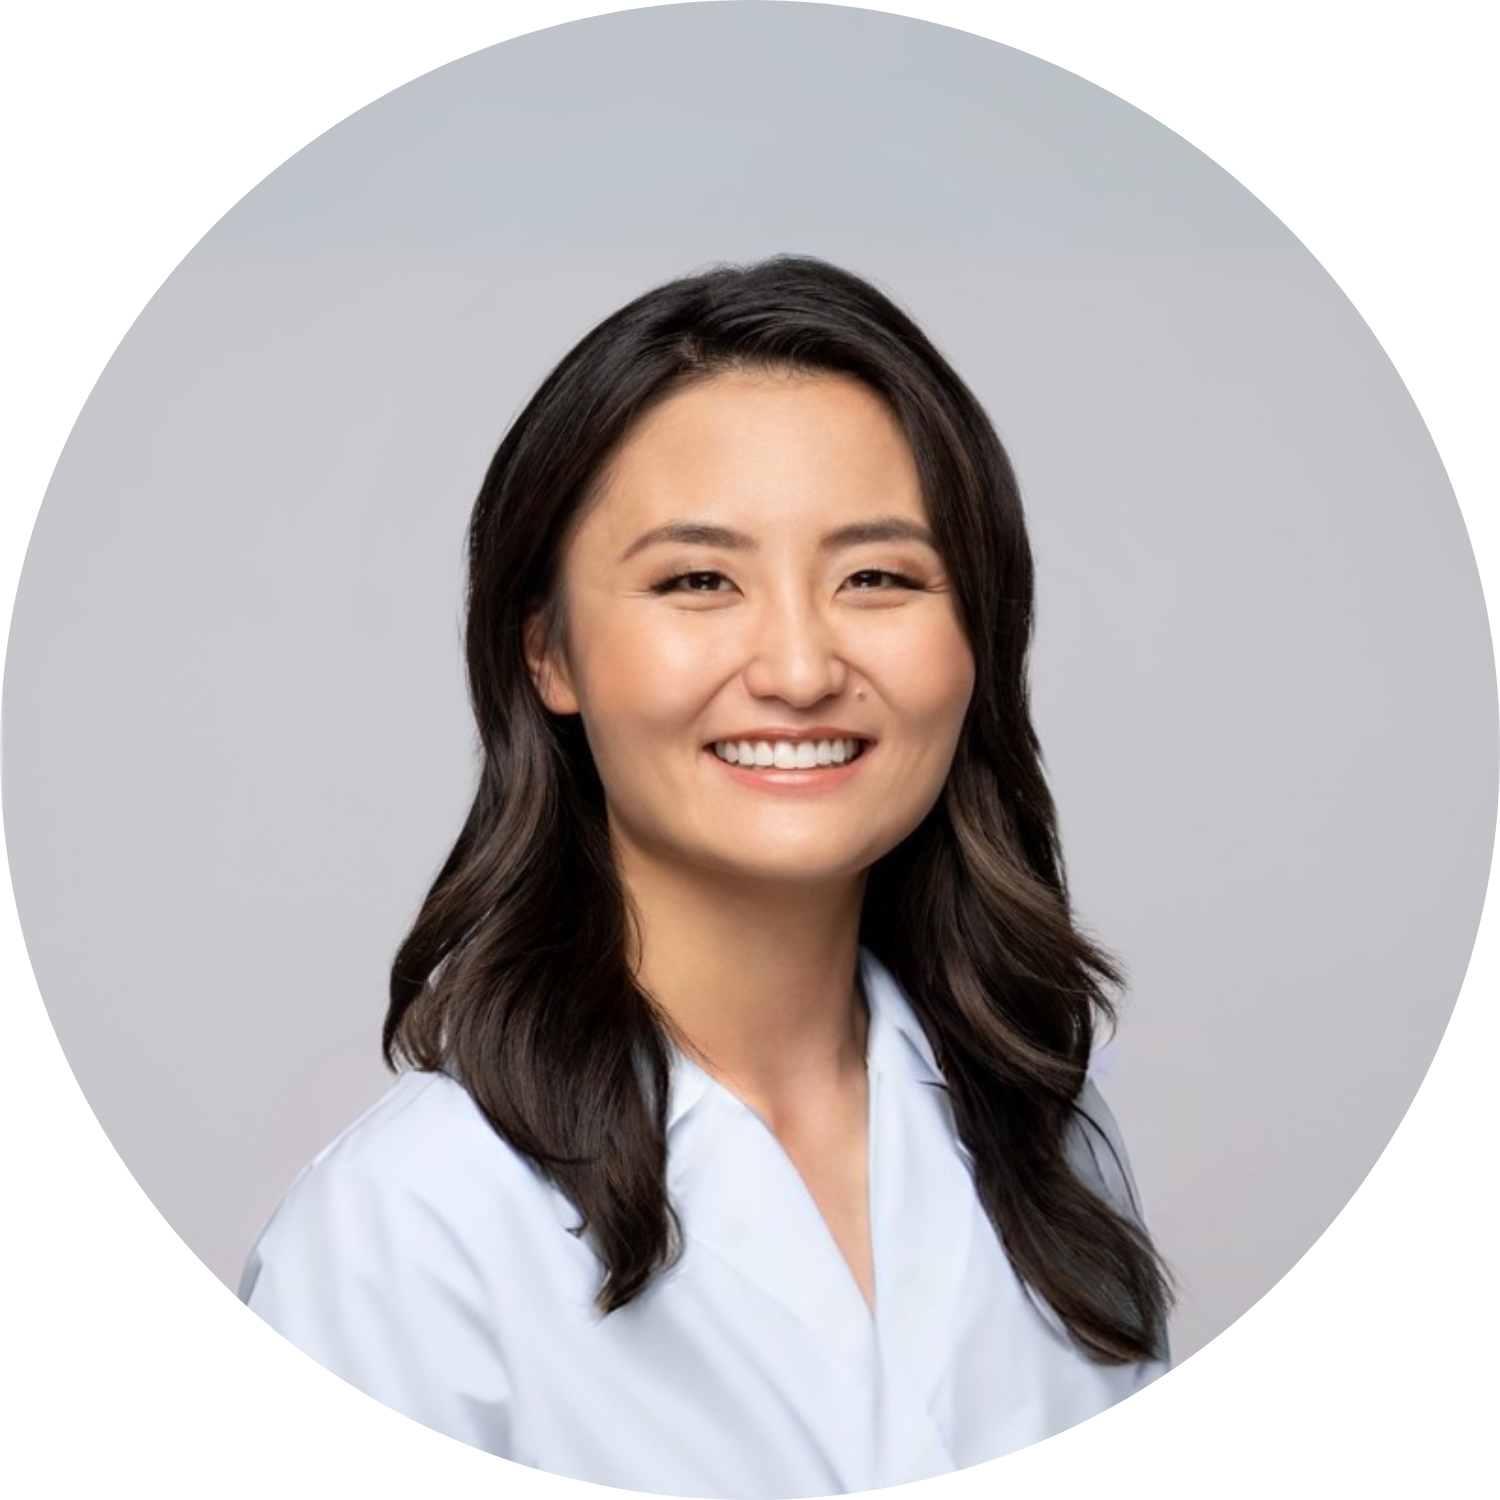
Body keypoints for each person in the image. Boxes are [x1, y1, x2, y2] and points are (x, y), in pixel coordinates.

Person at [239, 256, 1172, 1489]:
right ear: (548, 655)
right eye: (698, 581)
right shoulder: (407, 1230)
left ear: (980, 637)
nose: (797, 666)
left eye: (878, 577)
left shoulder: (1055, 1140)